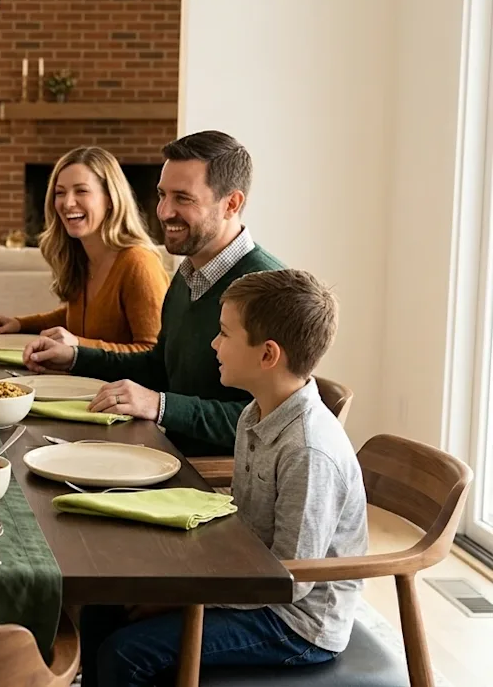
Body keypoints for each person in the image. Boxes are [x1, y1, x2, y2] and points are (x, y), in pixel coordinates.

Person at [80, 269, 367, 686]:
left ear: (267, 355)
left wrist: (185, 597)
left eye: (225, 334)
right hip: (249, 587)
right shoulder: (256, 411)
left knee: (126, 654)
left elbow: (290, 582)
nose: (214, 344)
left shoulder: (307, 451)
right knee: (101, 608)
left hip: (294, 625)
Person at [23, 130, 285, 457]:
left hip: (211, 479)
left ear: (231, 203)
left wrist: (160, 405)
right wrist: (76, 357)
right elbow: (157, 366)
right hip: (161, 453)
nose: (163, 211)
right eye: (162, 195)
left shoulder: (269, 289)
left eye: (182, 198)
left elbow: (267, 422)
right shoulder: (187, 274)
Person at [0, 146, 169, 352]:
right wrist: (20, 324)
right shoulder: (81, 257)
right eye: (60, 193)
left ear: (110, 198)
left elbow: (154, 354)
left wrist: (79, 345)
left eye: (81, 191)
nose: (68, 203)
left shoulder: (139, 263)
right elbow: (78, 317)